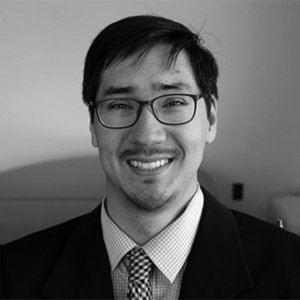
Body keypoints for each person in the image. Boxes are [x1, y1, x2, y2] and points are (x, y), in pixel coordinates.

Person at [1, 15, 300, 299]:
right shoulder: (10, 274)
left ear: (210, 118)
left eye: (173, 101)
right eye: (119, 105)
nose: (147, 134)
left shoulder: (292, 270)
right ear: (93, 125)